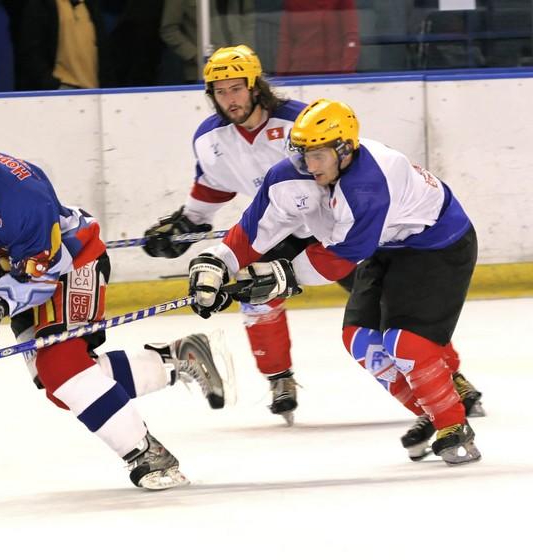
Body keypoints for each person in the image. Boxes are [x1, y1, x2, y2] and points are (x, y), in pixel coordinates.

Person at [143, 45, 483, 433]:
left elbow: (345, 244)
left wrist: (279, 275)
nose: (229, 99)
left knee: (401, 318)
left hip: (367, 236)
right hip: (300, 226)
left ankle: (446, 377)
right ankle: (279, 377)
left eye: (236, 88)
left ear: (256, 87)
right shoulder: (213, 140)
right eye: (220, 92)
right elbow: (226, 200)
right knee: (314, 319)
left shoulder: (309, 132)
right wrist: (205, 246)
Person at [0, 107, 233, 490]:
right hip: (19, 277)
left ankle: (147, 455)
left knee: (62, 368)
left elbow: (44, 276)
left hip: (74, 262)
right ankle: (179, 358)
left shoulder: (20, 193)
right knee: (60, 385)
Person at [187, 98, 482, 465]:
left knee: (406, 343)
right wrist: (217, 263)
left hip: (438, 244)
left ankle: (454, 426)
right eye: (303, 155)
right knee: (360, 339)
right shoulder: (291, 173)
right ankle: (431, 408)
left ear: (345, 150)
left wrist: (279, 277)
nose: (308, 166)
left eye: (318, 156)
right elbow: (254, 230)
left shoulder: (370, 184)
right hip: (386, 246)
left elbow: (342, 256)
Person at [15, 0, 113, 90]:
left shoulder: (91, 7)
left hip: (94, 95)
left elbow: (105, 55)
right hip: (60, 94)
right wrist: (52, 85)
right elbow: (30, 52)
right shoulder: (41, 5)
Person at [275, 0, 360, 76]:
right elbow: (285, 42)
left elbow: (351, 38)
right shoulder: (291, 2)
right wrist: (280, 78)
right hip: (297, 77)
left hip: (332, 76)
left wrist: (344, 77)